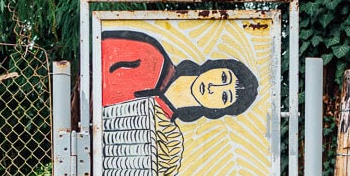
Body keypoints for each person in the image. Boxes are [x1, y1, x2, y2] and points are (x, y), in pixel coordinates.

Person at [102, 30, 259, 122]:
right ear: (214, 66)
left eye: (225, 96)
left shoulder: (159, 128)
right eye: (223, 77)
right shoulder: (151, 55)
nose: (214, 88)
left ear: (217, 110)